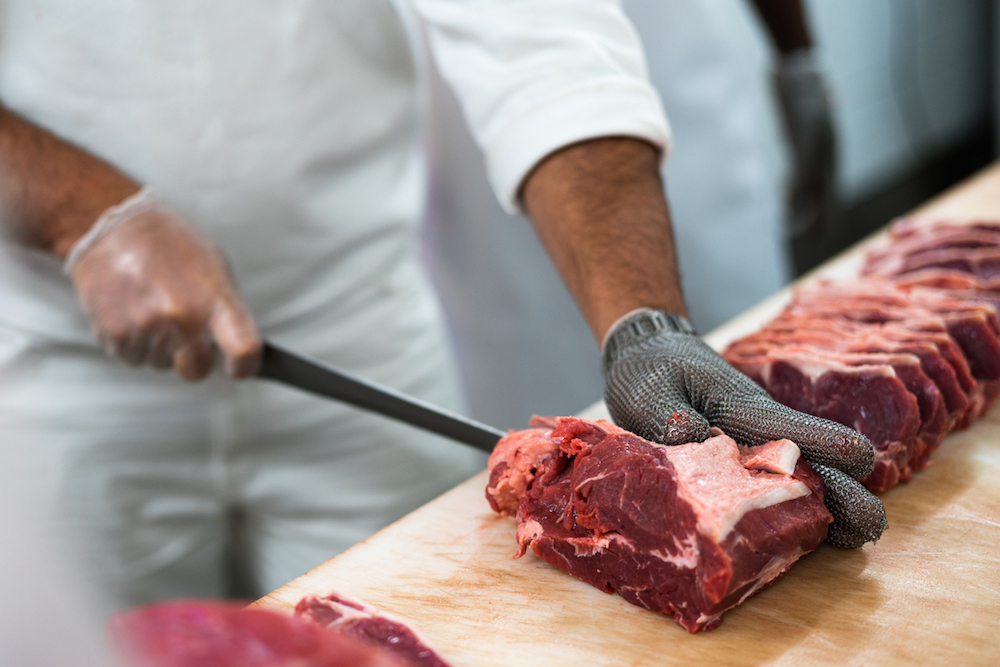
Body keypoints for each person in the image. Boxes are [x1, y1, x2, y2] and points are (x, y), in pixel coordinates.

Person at [0, 0, 879, 610]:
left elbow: (538, 37)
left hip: (356, 316)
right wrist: (80, 212)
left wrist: (642, 321)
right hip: (58, 362)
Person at [421, 0, 836, 428]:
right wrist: (648, 332)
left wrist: (798, 59)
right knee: (555, 445)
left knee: (768, 389)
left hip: (691, 101)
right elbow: (540, 54)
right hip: (492, 169)